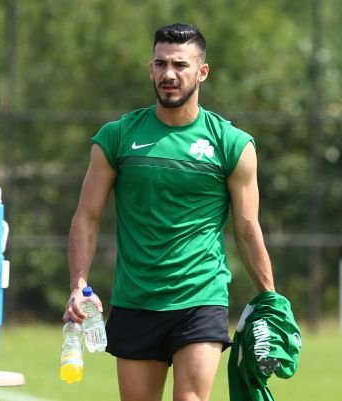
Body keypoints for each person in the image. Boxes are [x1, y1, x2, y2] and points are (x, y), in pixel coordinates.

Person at [63, 22, 275, 401]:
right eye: (161, 64)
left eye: (180, 65)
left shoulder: (232, 144)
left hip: (201, 296)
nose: (169, 74)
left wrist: (270, 299)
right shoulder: (117, 137)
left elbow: (247, 229)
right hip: (136, 299)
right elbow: (87, 217)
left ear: (202, 72)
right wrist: (78, 285)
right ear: (151, 69)